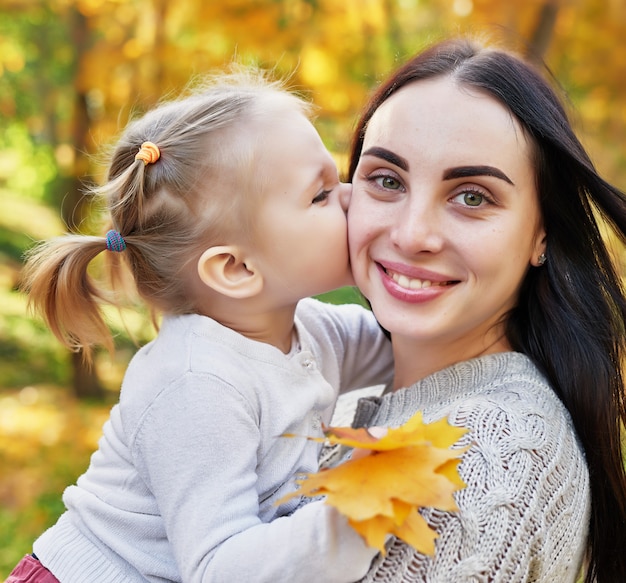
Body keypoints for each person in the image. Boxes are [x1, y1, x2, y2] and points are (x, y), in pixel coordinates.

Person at [8, 68, 393, 583]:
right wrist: (354, 515)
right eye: (320, 195)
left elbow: (412, 350)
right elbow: (220, 568)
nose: (351, 197)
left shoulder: (314, 331)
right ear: (236, 269)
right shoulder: (196, 381)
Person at [343, 36, 626, 582]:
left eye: (472, 196)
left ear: (541, 232)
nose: (412, 234)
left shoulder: (479, 448)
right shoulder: (337, 379)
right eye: (386, 180)